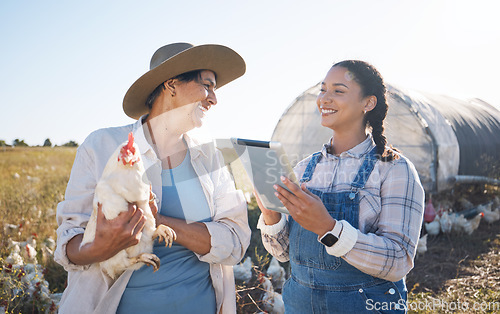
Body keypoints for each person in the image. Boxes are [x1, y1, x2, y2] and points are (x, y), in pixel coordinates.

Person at [54, 43, 251, 314]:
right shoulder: (102, 146)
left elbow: (235, 240)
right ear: (171, 85)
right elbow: (69, 242)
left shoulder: (210, 158)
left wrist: (160, 223)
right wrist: (99, 247)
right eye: (207, 85)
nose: (213, 98)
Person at [256, 60, 424, 313]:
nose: (324, 98)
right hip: (301, 305)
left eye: (338, 91)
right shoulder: (304, 169)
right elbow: (284, 253)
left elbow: (399, 260)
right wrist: (271, 217)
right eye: (322, 90)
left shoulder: (394, 169)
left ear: (368, 103)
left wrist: (328, 228)